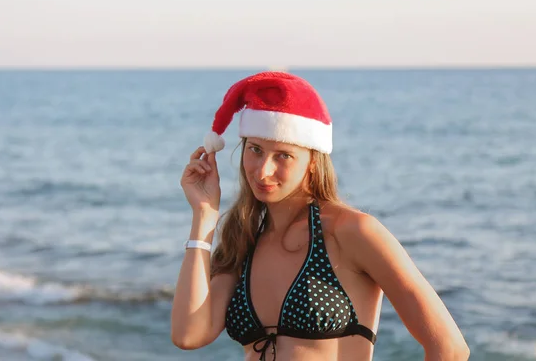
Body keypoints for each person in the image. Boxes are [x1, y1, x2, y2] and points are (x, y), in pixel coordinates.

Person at [171, 72, 470, 361]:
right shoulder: (244, 241)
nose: (263, 170)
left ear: (313, 161)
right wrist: (204, 214)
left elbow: (449, 348)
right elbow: (189, 335)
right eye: (256, 150)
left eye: (283, 156)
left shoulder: (353, 232)